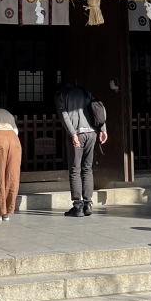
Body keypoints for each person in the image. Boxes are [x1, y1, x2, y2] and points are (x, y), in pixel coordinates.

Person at [55, 80, 107, 217]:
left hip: (77, 133)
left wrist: (73, 134)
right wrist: (103, 129)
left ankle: (78, 206)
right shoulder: (85, 92)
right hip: (91, 133)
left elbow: (64, 116)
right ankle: (88, 204)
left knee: (75, 169)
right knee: (87, 168)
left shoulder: (60, 96)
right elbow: (98, 108)